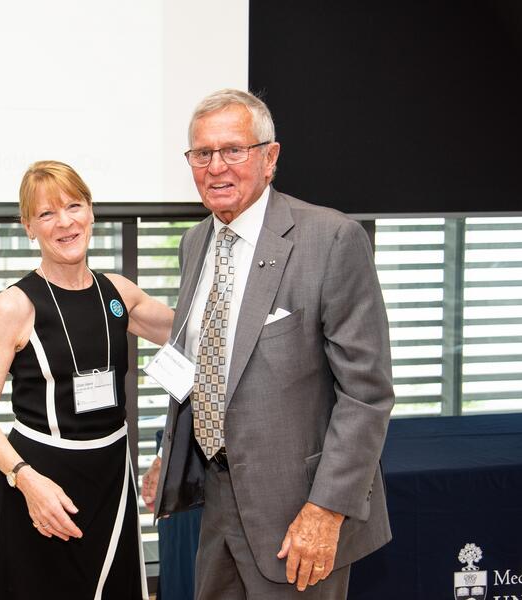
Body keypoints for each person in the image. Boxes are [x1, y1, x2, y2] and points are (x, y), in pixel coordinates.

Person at [143, 89, 395, 599]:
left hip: (299, 511)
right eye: (202, 154)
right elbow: (202, 359)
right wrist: (167, 455)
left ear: (270, 157)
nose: (216, 167)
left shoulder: (331, 239)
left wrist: (327, 509)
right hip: (218, 501)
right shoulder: (195, 243)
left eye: (233, 149)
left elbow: (366, 394)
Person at [0, 160, 173, 600]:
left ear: (91, 211)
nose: (64, 222)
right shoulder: (13, 306)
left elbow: (193, 335)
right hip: (41, 482)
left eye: (74, 206)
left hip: (113, 474)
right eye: (46, 214)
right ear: (28, 227)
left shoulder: (118, 292)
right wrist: (25, 479)